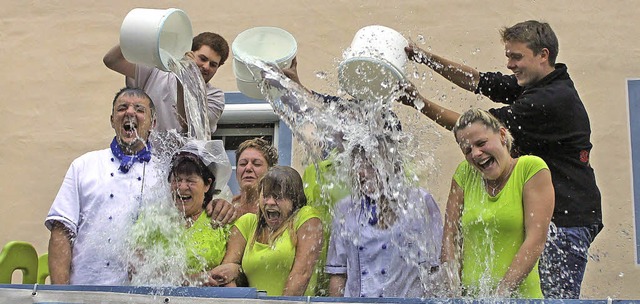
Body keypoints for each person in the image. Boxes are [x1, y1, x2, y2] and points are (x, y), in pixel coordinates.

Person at [401, 20, 602, 299]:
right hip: (542, 214)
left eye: (516, 56)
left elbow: (478, 129)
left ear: (543, 55)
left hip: (567, 221)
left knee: (552, 298)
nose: (509, 64)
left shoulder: (553, 99)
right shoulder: (534, 83)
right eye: (508, 56)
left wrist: (416, 100)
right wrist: (424, 58)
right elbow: (479, 81)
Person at [45, 88, 161, 285]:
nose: (130, 113)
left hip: (144, 294)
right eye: (122, 108)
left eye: (139, 109)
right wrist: (60, 294)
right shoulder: (84, 165)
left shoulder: (165, 172)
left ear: (153, 124)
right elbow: (61, 230)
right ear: (112, 120)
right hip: (86, 289)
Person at [442, 108, 554, 298]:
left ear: (502, 135)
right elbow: (450, 237)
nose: (476, 153)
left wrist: (499, 297)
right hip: (471, 300)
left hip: (519, 299)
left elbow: (535, 241)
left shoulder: (531, 169)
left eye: (481, 143)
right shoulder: (464, 174)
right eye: (467, 149)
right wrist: (452, 293)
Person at [325, 143, 443, 298]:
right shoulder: (345, 209)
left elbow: (435, 268)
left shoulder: (420, 201)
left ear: (391, 166)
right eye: (357, 166)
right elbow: (338, 274)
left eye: (370, 165)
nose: (362, 173)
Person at [205, 166, 323, 296]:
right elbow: (225, 274)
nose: (270, 202)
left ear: (294, 199)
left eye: (278, 196)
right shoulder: (247, 223)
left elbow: (302, 274)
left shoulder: (305, 217)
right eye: (266, 196)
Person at [104, 32, 229, 134]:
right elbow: (112, 60)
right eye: (203, 59)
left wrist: (183, 78)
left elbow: (187, 124)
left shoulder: (215, 96)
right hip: (143, 157)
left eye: (213, 65)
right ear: (189, 52)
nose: (206, 67)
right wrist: (142, 33)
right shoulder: (156, 71)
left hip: (181, 162)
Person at [232, 138, 279, 216]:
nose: (248, 168)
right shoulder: (227, 209)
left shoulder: (277, 211)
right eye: (243, 164)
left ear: (270, 172)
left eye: (257, 164)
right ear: (237, 173)